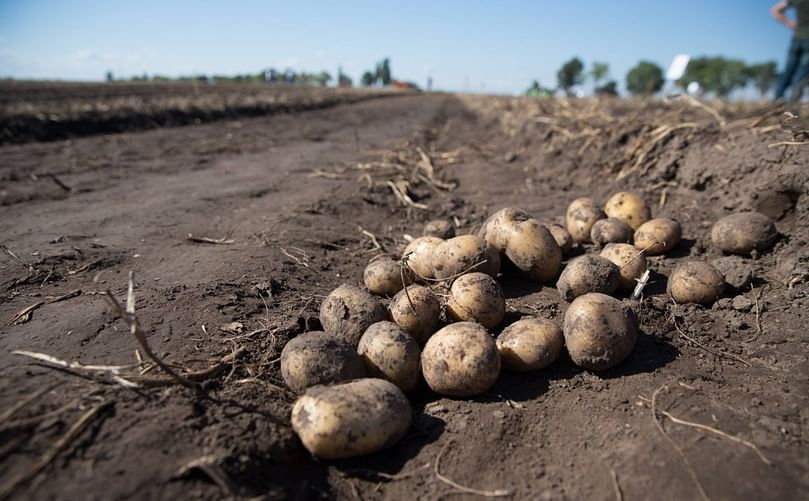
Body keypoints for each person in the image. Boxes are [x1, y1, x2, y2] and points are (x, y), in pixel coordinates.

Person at [772, 0, 809, 100]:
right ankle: (793, 103)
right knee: (803, 72)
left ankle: (778, 100)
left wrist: (790, 23)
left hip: (797, 37)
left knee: (788, 70)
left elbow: (775, 10)